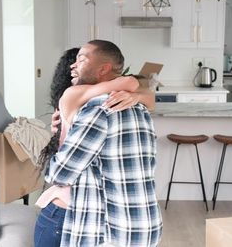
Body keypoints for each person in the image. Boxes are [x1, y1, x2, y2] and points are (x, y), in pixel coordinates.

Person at [46, 40, 163, 247]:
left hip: (111, 233)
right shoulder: (140, 108)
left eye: (81, 59)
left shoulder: (99, 109)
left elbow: (60, 174)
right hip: (146, 227)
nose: (74, 65)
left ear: (103, 69)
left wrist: (50, 166)